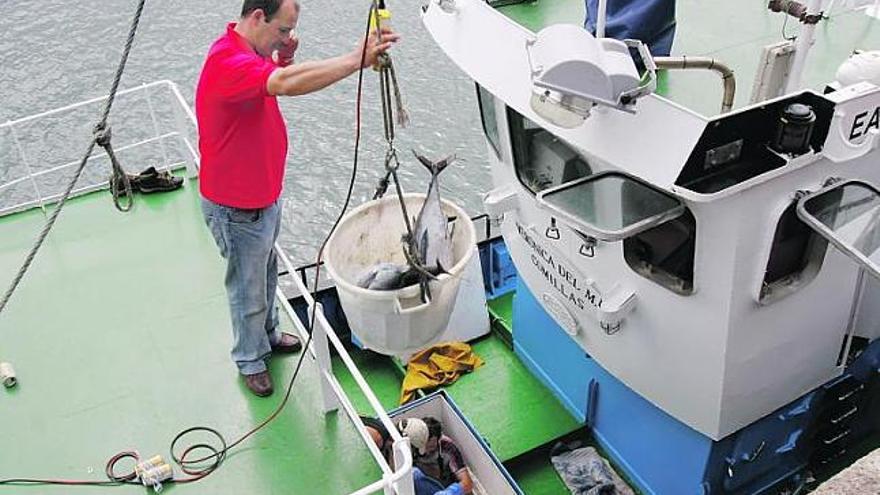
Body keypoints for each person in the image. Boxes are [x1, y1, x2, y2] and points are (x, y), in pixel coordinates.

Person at [195, 0, 399, 397]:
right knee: (247, 288)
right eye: (283, 31)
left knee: (267, 275)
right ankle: (249, 358)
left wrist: (281, 53)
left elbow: (275, 73)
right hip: (237, 208)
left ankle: (268, 335)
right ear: (257, 17)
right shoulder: (227, 62)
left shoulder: (248, 51)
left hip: (262, 197)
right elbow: (284, 84)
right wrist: (355, 60)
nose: (287, 38)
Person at [398, 417, 474, 495]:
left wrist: (451, 491)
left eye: (431, 447)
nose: (426, 452)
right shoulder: (412, 444)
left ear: (438, 439)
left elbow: (467, 482)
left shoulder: (447, 447)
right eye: (423, 447)